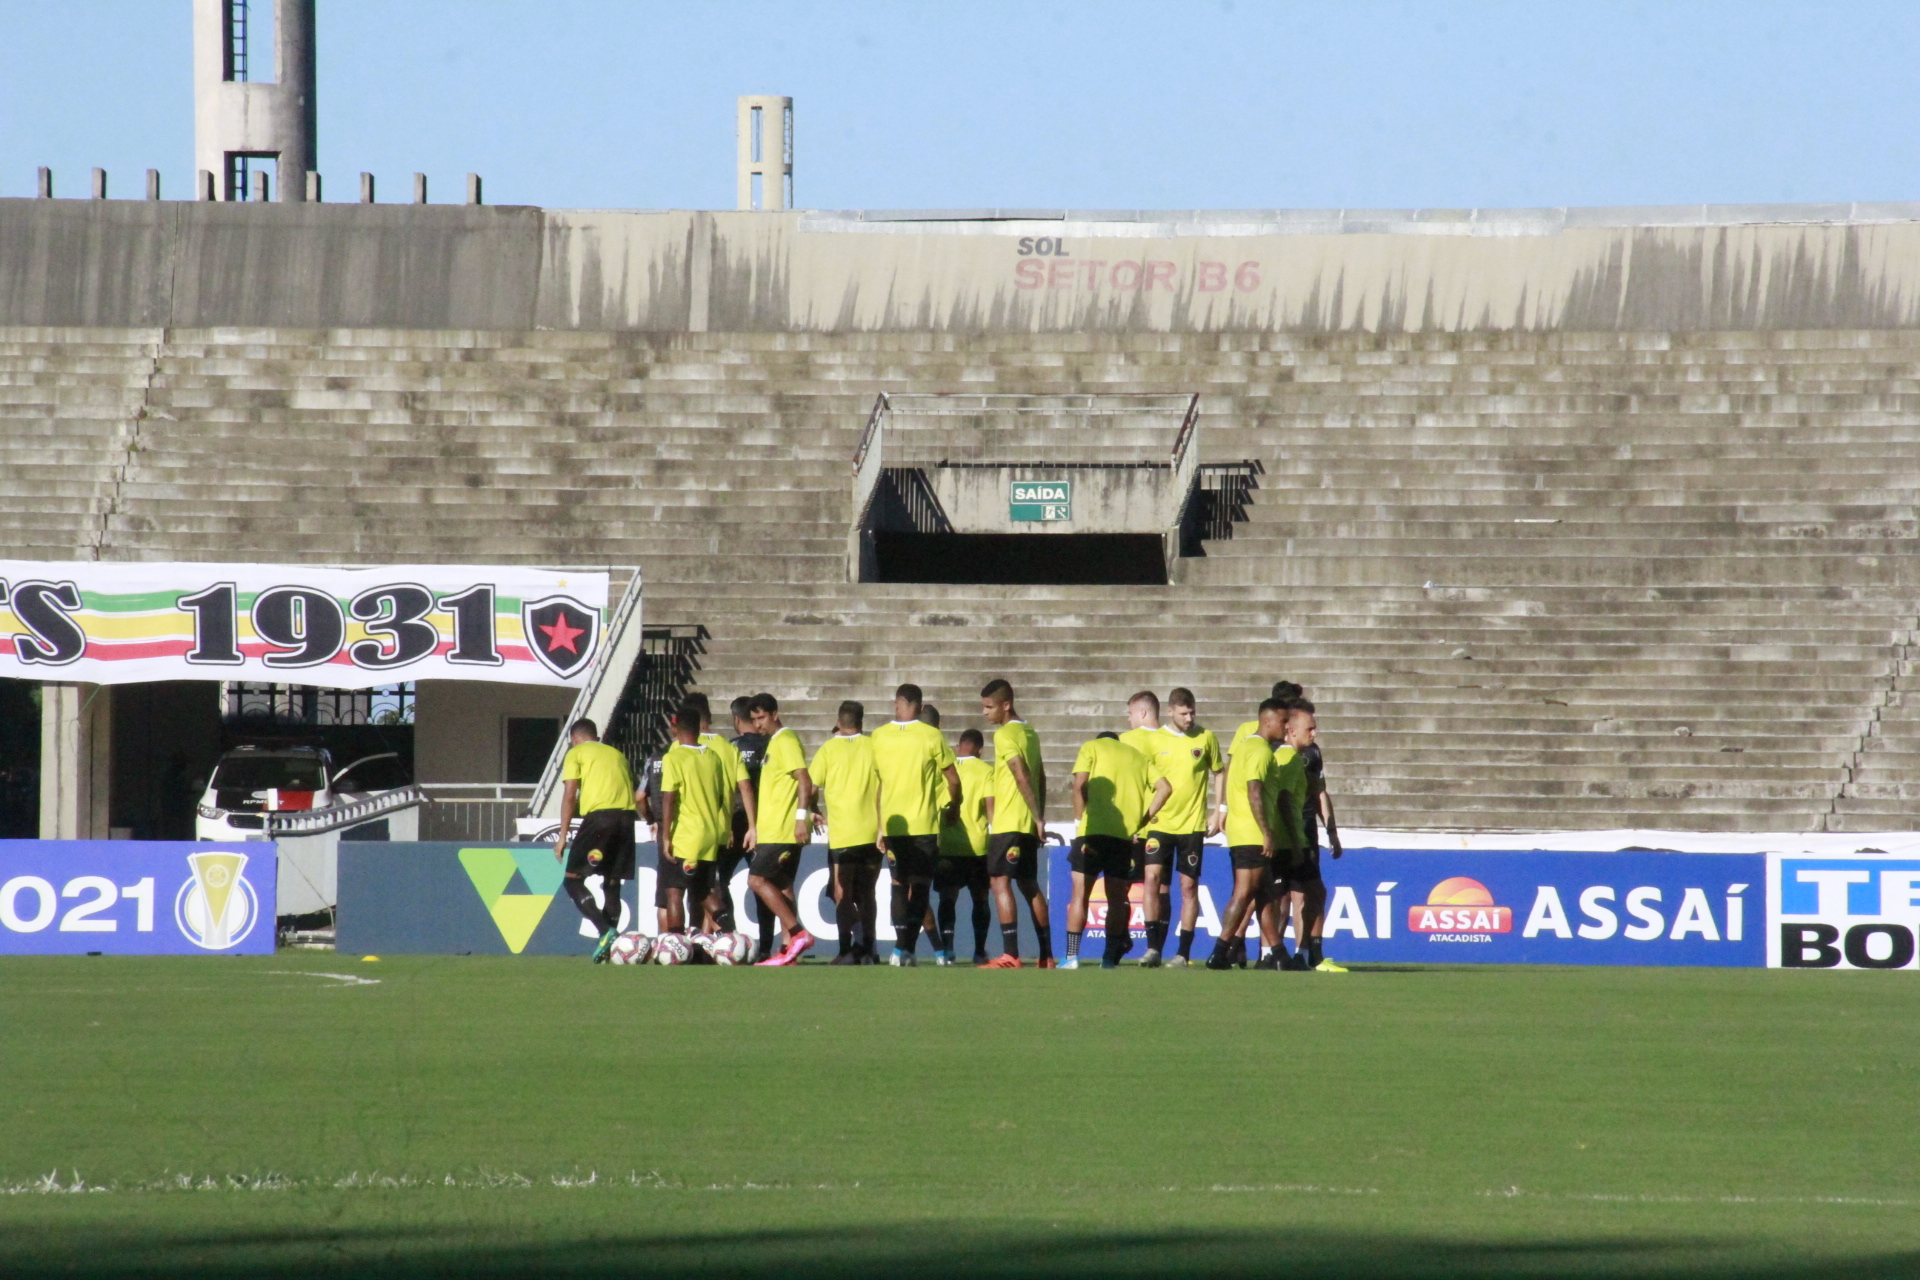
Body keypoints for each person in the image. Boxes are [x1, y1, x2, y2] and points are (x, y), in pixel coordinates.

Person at [872, 683, 961, 966]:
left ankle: (902, 948)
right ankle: (904, 949)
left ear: (897, 704)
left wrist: (880, 827)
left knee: (898, 885)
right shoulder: (931, 735)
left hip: (894, 826)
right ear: (921, 708)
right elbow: (953, 779)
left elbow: (881, 786)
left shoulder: (879, 736)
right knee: (920, 887)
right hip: (923, 824)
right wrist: (954, 807)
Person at [1208, 698, 1299, 970]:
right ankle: (1220, 951)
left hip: (1242, 831)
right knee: (1245, 892)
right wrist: (1266, 831)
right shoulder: (1260, 751)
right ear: (1268, 721)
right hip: (1251, 833)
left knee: (1266, 894)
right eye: (1284, 721)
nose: (1287, 727)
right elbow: (1254, 791)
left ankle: (1279, 955)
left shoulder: (1245, 746)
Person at [1139, 687, 1225, 967]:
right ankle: (1152, 948)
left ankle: (1183, 953)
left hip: (1191, 825)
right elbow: (1144, 779)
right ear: (1170, 711)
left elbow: (1219, 772)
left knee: (1188, 887)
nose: (1189, 718)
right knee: (1151, 880)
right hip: (1159, 823)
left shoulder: (1205, 737)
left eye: (1192, 713)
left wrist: (1219, 810)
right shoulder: (1154, 741)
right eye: (1183, 713)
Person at [979, 679, 1054, 969]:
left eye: (989, 707)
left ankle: (1010, 954)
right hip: (1027, 825)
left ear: (1006, 705)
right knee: (1029, 884)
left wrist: (1037, 816)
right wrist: (1038, 818)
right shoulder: (1030, 732)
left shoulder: (1005, 735)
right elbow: (1041, 777)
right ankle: (1046, 955)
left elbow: (1020, 773)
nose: (985, 713)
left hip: (1009, 821)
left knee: (999, 881)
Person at [1062, 730, 1151, 969]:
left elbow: (1080, 784)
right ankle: (1109, 959)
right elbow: (1164, 788)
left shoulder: (1091, 747)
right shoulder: (1137, 756)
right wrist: (1143, 820)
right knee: (1117, 898)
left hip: (1091, 832)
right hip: (1122, 835)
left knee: (1080, 895)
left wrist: (1079, 822)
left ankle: (1071, 957)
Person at [551, 718, 638, 963]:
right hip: (626, 819)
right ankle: (611, 946)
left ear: (574, 739)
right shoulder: (616, 754)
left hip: (600, 819)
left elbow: (570, 795)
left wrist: (562, 836)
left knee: (572, 880)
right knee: (612, 882)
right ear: (596, 736)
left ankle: (605, 931)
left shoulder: (577, 753)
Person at [810, 700, 884, 964]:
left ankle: (845, 950)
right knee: (868, 894)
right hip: (871, 833)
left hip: (842, 835)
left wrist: (813, 809)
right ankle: (869, 949)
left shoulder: (829, 749)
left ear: (839, 722)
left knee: (842, 893)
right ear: (861, 722)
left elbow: (810, 786)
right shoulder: (874, 746)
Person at [746, 692, 816, 967]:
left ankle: (798, 934)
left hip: (782, 831)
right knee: (784, 887)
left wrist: (801, 818)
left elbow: (804, 778)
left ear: (775, 714)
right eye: (753, 719)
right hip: (774, 830)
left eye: (762, 717)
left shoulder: (785, 740)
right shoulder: (775, 743)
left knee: (756, 880)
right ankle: (789, 950)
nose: (758, 724)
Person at [655, 701, 732, 939]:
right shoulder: (713, 757)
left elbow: (669, 798)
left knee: (674, 890)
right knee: (702, 890)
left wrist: (666, 836)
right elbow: (721, 796)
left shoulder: (674, 757)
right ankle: (730, 934)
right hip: (709, 834)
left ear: (676, 728)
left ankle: (676, 943)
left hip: (686, 835)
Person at [684, 692, 756, 933]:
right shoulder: (727, 747)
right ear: (710, 716)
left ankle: (700, 936)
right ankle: (720, 935)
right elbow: (745, 787)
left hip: (690, 830)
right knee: (715, 884)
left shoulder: (682, 746)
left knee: (695, 886)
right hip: (724, 828)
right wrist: (753, 826)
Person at [934, 727, 994, 966]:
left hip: (947, 845)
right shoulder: (986, 771)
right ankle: (979, 951)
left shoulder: (945, 769)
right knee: (980, 900)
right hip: (977, 847)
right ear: (980, 749)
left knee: (947, 900)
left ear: (959, 746)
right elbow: (991, 809)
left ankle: (947, 951)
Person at [727, 695, 770, 948]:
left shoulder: (731, 747)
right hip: (764, 821)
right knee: (763, 882)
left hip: (736, 821)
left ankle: (729, 936)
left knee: (719, 880)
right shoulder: (770, 745)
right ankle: (765, 947)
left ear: (735, 719)